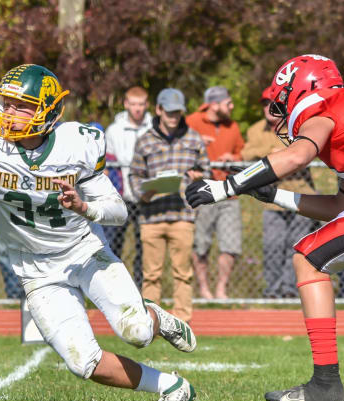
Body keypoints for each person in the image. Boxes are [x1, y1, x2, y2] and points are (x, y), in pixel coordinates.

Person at [0, 64, 197, 401]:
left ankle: (157, 318)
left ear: (47, 110)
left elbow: (118, 209)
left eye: (22, 106)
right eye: (5, 103)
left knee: (137, 332)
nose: (8, 112)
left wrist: (85, 208)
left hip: (84, 251)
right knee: (84, 362)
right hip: (35, 271)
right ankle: (171, 387)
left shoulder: (77, 143)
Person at [185, 54, 344, 401]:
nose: (278, 110)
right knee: (315, 249)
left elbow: (296, 157)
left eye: (282, 97)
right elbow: (340, 207)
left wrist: (226, 187)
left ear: (304, 86)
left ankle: (325, 386)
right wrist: (274, 195)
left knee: (308, 257)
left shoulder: (326, 106)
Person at [129, 88, 209, 323]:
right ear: (159, 110)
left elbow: (207, 171)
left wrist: (199, 178)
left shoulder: (194, 138)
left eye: (178, 112)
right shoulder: (144, 141)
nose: (174, 116)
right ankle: (151, 321)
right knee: (151, 275)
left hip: (183, 215)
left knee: (183, 273)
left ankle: (183, 321)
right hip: (151, 216)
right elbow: (135, 176)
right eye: (170, 112)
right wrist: (144, 191)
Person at [241, 86, 317, 299]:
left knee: (297, 245)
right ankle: (272, 291)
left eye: (272, 103)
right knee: (273, 245)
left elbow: (310, 152)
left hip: (301, 196)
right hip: (272, 198)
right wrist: (272, 156)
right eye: (265, 104)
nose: (268, 108)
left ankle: (290, 290)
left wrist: (284, 157)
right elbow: (245, 154)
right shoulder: (255, 130)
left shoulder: (297, 125)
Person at [186, 85, 245, 299]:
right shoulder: (192, 122)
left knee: (230, 244)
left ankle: (221, 290)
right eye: (228, 103)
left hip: (230, 193)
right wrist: (198, 144)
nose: (232, 106)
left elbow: (242, 154)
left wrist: (234, 158)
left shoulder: (233, 126)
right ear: (214, 104)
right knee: (200, 244)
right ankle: (204, 290)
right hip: (203, 191)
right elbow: (179, 150)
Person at [103, 86, 153, 287]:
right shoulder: (114, 130)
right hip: (121, 197)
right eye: (133, 104)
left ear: (146, 105)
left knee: (145, 246)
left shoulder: (153, 127)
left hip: (146, 196)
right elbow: (107, 161)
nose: (137, 109)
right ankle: (115, 288)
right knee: (115, 245)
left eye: (141, 104)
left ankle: (141, 290)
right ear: (126, 104)